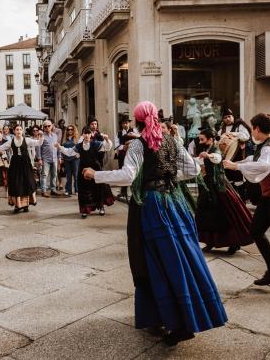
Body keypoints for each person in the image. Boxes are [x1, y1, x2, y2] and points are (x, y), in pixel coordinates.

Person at [83, 101, 227, 346]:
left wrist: (95, 175)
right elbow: (192, 168)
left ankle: (173, 320)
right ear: (156, 119)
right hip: (175, 203)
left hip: (152, 207)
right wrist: (169, 177)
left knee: (156, 262)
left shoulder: (138, 144)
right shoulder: (173, 140)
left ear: (137, 121)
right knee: (182, 258)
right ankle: (178, 315)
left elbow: (128, 176)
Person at [223, 113, 270, 300]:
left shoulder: (269, 148)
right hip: (269, 198)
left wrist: (235, 167)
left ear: (257, 129)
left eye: (253, 127)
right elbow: (253, 162)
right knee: (255, 230)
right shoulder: (264, 145)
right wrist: (234, 164)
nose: (251, 130)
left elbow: (262, 166)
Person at [194, 129, 253, 255]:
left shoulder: (215, 149)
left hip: (220, 186)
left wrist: (208, 156)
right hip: (208, 186)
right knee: (206, 213)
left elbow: (217, 158)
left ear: (210, 139)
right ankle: (210, 241)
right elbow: (199, 161)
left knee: (226, 213)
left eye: (202, 139)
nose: (200, 142)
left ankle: (234, 243)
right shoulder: (207, 150)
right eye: (199, 139)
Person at [57, 127, 114, 218]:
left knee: (98, 188)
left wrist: (107, 139)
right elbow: (69, 152)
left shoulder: (95, 144)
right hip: (83, 170)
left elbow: (107, 147)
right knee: (84, 190)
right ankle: (85, 210)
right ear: (82, 135)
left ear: (91, 135)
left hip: (95, 169)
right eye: (85, 133)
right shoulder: (79, 146)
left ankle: (101, 207)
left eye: (88, 133)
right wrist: (60, 147)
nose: (87, 135)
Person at [0, 125, 43, 213]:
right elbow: (0, 148)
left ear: (22, 131)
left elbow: (38, 143)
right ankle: (18, 205)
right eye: (17, 129)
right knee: (16, 184)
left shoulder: (26, 140)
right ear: (14, 131)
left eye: (20, 129)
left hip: (25, 164)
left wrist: (41, 136)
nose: (19, 131)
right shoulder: (10, 141)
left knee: (27, 183)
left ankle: (26, 205)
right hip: (15, 165)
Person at [218, 108, 251, 199]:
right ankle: (232, 200)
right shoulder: (222, 129)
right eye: (225, 117)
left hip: (238, 156)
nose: (227, 119)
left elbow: (246, 136)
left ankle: (242, 200)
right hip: (226, 157)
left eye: (229, 116)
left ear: (233, 116)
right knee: (229, 179)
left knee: (238, 179)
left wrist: (233, 134)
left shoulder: (239, 125)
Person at [115, 116, 140, 203]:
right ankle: (123, 191)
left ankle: (135, 190)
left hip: (133, 154)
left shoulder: (134, 131)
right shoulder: (118, 133)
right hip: (123, 155)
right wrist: (124, 147)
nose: (125, 124)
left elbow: (139, 140)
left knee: (134, 171)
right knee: (123, 171)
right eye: (124, 123)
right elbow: (116, 145)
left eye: (127, 123)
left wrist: (130, 144)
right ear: (122, 124)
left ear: (129, 123)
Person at [39, 120, 60, 197]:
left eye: (49, 126)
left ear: (52, 126)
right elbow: (39, 148)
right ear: (43, 128)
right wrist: (39, 158)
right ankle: (43, 191)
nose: (47, 127)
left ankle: (53, 190)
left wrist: (59, 156)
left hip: (54, 158)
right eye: (45, 126)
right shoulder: (42, 136)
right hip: (45, 158)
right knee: (44, 175)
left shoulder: (55, 135)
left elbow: (57, 146)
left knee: (54, 175)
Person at [61, 125, 79, 196]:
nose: (70, 131)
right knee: (68, 175)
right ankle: (68, 190)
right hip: (67, 159)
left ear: (74, 130)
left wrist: (79, 153)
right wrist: (62, 158)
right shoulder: (65, 139)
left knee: (76, 175)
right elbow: (62, 149)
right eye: (68, 129)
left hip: (75, 159)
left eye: (71, 129)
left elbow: (80, 147)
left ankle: (77, 190)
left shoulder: (76, 139)